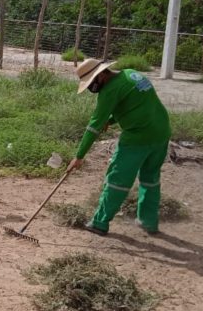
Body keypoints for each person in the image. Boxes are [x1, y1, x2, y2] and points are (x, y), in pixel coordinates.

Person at [67, 58, 171, 236]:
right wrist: (112, 120)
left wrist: (79, 156)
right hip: (162, 132)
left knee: (117, 180)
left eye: (92, 82)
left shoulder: (110, 90)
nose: (92, 87)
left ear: (101, 75)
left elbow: (93, 126)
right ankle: (149, 222)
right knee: (150, 178)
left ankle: (99, 223)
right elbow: (138, 104)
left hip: (138, 138)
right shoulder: (132, 74)